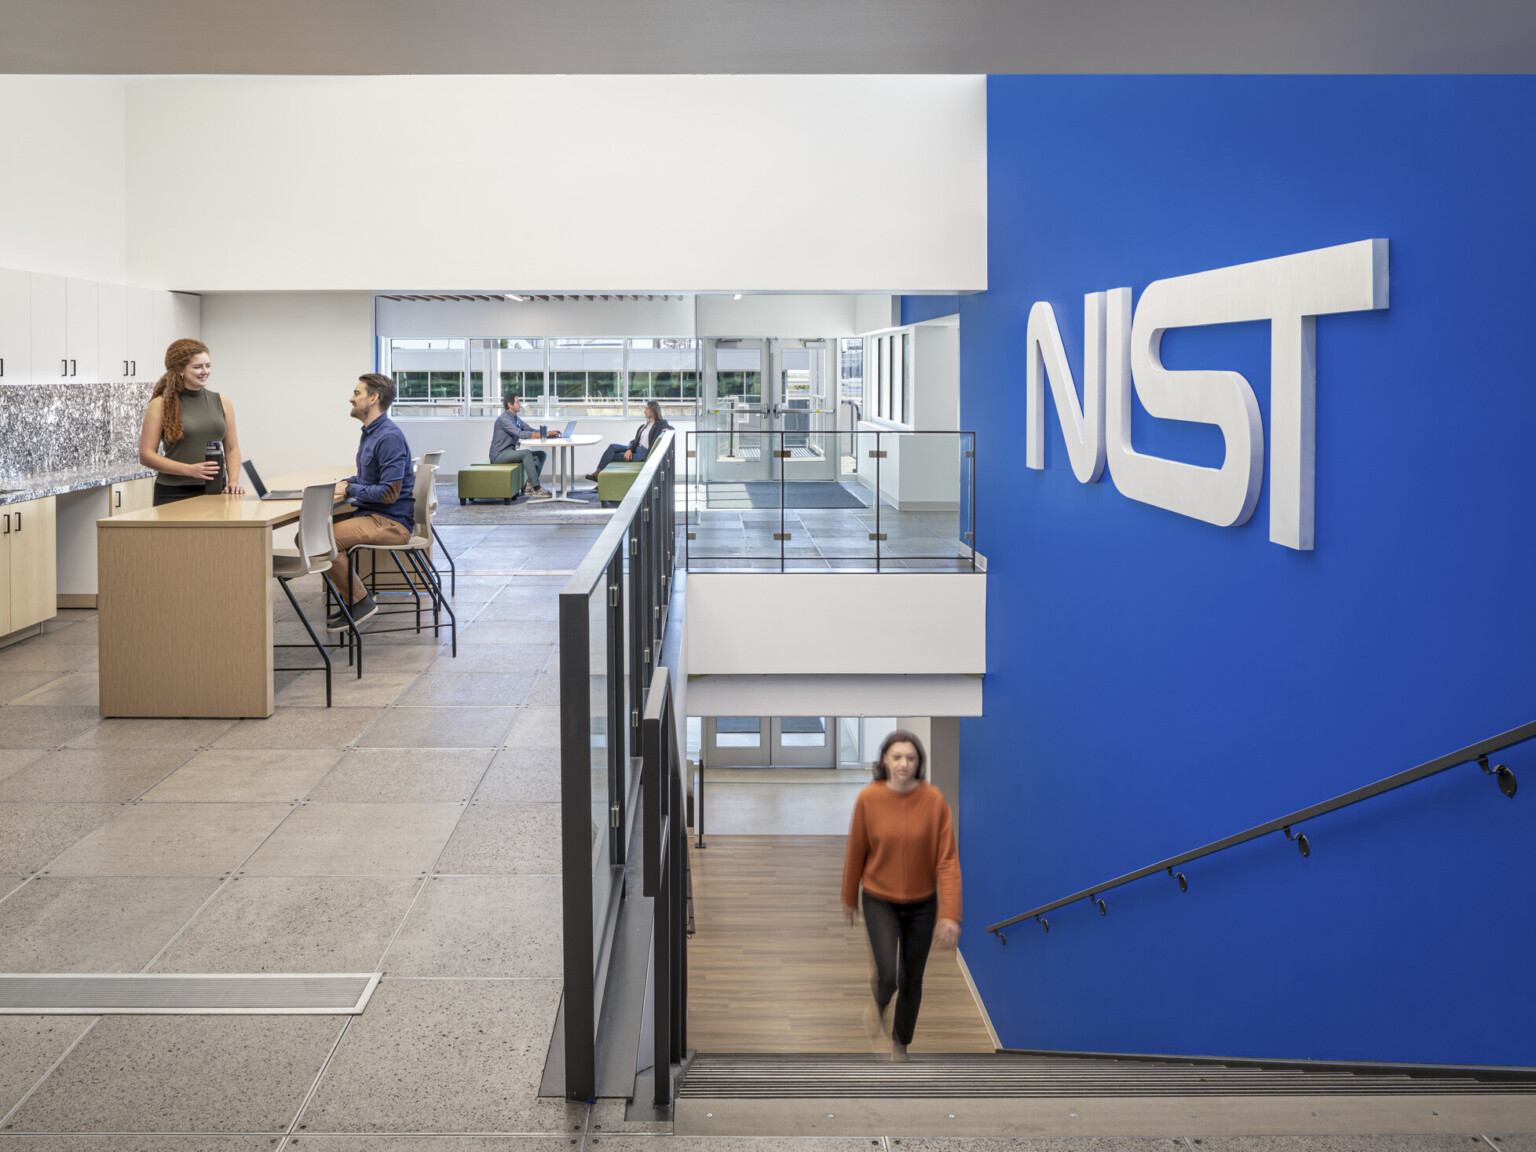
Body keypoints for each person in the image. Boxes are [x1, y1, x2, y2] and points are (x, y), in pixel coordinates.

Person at [840, 729, 962, 1062]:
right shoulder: (869, 798)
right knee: (888, 975)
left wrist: (949, 914)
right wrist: (849, 897)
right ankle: (878, 1004)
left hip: (923, 904)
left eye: (910, 757)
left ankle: (900, 1043)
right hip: (879, 898)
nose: (903, 764)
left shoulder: (934, 801)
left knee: (912, 978)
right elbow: (856, 851)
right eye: (896, 757)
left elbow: (948, 861)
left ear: (919, 762)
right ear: (884, 761)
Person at [326, 373, 417, 629]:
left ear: (374, 398)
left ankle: (361, 601)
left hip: (390, 522)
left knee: (319, 541)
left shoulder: (388, 437)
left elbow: (389, 493)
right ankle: (354, 601)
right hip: (372, 515)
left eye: (357, 393)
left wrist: (351, 488)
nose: (351, 398)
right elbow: (369, 478)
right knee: (308, 536)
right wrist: (345, 483)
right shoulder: (371, 433)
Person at [138, 338, 246, 505]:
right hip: (173, 493)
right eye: (198, 367)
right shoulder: (160, 404)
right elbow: (146, 455)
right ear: (180, 370)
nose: (205, 371)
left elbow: (232, 449)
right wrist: (190, 470)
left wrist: (233, 481)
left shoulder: (222, 401)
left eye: (208, 365)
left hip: (216, 491)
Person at [488, 393, 554, 498]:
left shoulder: (515, 418)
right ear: (510, 404)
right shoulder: (504, 419)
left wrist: (548, 433)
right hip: (499, 455)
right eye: (518, 402)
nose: (520, 404)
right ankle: (537, 488)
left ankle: (527, 487)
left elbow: (530, 430)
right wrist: (544, 434)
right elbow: (520, 434)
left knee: (541, 454)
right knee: (526, 453)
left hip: (510, 452)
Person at [585, 400, 670, 481]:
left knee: (612, 456)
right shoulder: (644, 426)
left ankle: (600, 480)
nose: (645, 411)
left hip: (643, 454)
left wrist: (667, 430)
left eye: (647, 408)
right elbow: (635, 441)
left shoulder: (661, 424)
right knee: (612, 447)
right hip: (636, 449)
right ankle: (597, 475)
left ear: (653, 410)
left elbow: (670, 428)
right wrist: (629, 449)